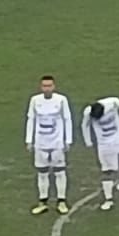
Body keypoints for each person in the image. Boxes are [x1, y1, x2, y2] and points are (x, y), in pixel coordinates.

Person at [24, 74, 74, 216]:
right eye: (44, 86)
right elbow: (31, 119)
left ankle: (61, 201)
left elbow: (67, 119)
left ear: (54, 86)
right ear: (41, 87)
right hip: (40, 142)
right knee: (42, 172)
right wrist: (29, 140)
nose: (47, 89)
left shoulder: (61, 100)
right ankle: (43, 202)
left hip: (57, 142)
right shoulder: (35, 100)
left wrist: (68, 140)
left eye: (49, 86)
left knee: (59, 171)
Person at [82, 95, 119, 212]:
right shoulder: (88, 112)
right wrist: (88, 141)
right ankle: (108, 199)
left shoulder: (112, 103)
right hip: (104, 145)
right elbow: (85, 125)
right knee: (108, 171)